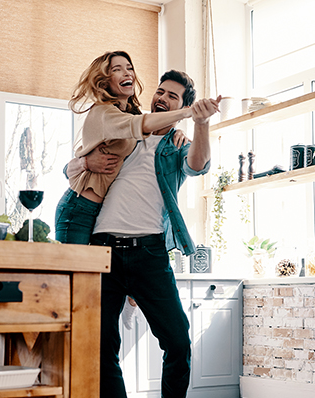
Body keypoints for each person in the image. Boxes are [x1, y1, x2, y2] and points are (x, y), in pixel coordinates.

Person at [67, 70, 219, 398]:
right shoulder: (126, 130)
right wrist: (86, 160)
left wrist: (201, 124)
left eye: (172, 96)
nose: (162, 98)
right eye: (161, 92)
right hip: (102, 248)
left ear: (183, 107)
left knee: (178, 342)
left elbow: (197, 165)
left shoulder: (178, 145)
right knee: (101, 346)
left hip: (148, 253)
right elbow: (70, 168)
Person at [54, 51, 193, 245]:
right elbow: (143, 123)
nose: (127, 73)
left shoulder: (129, 115)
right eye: (117, 70)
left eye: (129, 68)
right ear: (105, 81)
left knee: (89, 275)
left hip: (98, 212)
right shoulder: (105, 112)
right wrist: (85, 162)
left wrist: (178, 131)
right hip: (79, 208)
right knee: (73, 273)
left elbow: (149, 124)